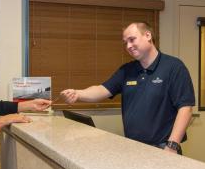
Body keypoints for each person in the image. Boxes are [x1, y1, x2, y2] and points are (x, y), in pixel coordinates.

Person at [61, 22, 195, 155]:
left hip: (163, 148)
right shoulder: (127, 70)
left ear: (148, 35)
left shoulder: (174, 67)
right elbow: (102, 90)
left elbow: (186, 109)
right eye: (125, 43)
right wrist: (77, 93)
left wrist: (172, 146)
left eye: (132, 39)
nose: (128, 46)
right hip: (133, 147)